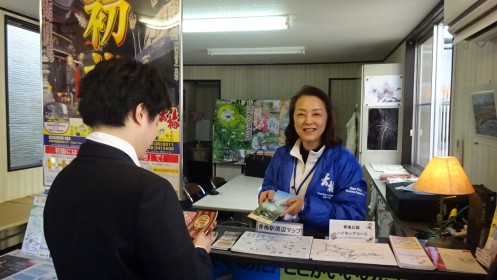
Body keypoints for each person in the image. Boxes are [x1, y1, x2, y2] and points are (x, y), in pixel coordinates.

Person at [44, 57, 214, 279]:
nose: (155, 132)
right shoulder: (150, 191)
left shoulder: (62, 181)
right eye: (156, 120)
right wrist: (200, 251)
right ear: (141, 113)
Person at [259, 85, 367, 237]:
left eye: (316, 114)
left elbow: (354, 215)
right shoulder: (281, 155)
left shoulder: (345, 161)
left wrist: (305, 207)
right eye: (301, 114)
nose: (308, 121)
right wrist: (266, 194)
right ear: (293, 119)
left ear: (327, 118)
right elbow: (268, 185)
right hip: (280, 241)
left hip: (321, 248)